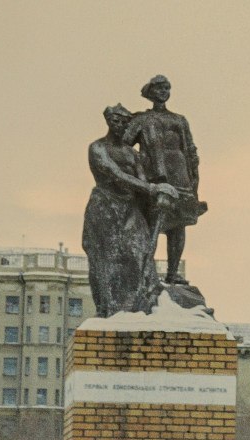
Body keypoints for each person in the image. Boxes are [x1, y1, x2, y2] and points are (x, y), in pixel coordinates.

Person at [82, 103, 174, 317]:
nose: (120, 125)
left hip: (130, 207)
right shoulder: (98, 148)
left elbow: (141, 180)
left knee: (140, 250)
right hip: (104, 206)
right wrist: (152, 189)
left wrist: (159, 197)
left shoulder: (133, 155)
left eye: (124, 122)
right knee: (105, 257)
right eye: (116, 121)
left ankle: (140, 305)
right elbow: (114, 173)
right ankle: (107, 308)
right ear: (108, 121)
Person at [123, 75, 202, 285]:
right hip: (154, 176)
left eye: (166, 88)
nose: (163, 92)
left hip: (180, 173)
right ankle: (146, 271)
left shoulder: (179, 120)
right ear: (150, 92)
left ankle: (172, 272)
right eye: (158, 88)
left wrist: (194, 179)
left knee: (178, 225)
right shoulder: (141, 119)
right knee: (151, 223)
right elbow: (125, 145)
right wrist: (138, 166)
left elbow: (190, 149)